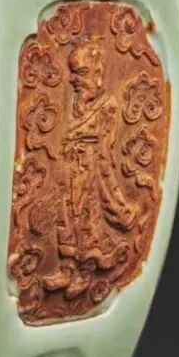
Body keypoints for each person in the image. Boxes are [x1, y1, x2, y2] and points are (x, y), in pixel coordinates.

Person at [45, 37, 137, 299]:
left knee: (87, 219)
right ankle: (67, 266)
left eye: (81, 73)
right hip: (71, 170)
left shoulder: (107, 104)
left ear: (97, 73)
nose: (74, 80)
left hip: (92, 171)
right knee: (66, 217)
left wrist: (92, 162)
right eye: (73, 73)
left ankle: (85, 271)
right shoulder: (75, 103)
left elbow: (107, 144)